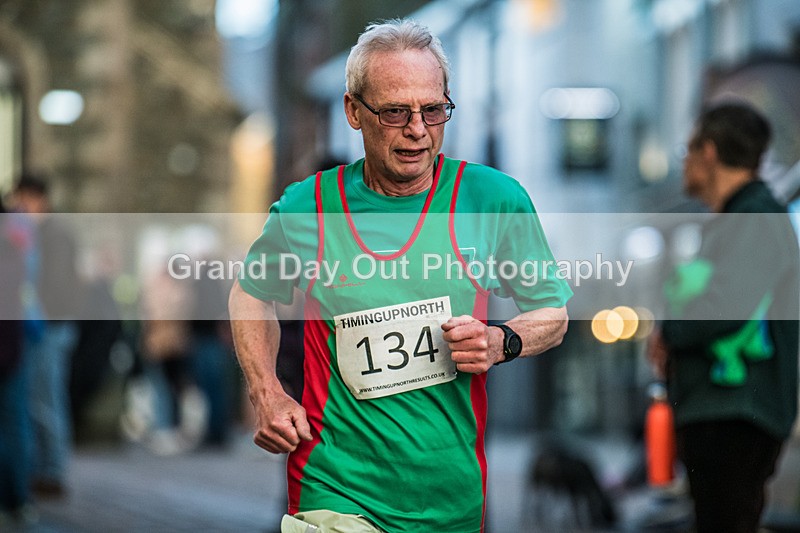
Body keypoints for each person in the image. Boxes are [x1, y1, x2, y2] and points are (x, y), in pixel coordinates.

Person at [229, 19, 572, 533]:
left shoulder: (491, 199)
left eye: (433, 110)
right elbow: (251, 294)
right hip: (334, 488)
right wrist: (267, 390)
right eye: (395, 112)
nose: (417, 129)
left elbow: (552, 312)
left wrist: (502, 341)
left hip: (451, 496)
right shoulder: (311, 206)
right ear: (353, 111)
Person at [649, 102, 799, 533]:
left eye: (687, 151)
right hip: (727, 411)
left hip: (735, 413)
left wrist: (670, 332)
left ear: (709, 153)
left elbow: (723, 307)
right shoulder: (743, 216)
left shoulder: (755, 216)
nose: (684, 164)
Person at [11, 175, 82, 498]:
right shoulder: (46, 232)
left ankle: (51, 471)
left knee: (45, 400)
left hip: (51, 326)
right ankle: (45, 469)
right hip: (50, 324)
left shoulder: (52, 234)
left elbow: (55, 284)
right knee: (42, 399)